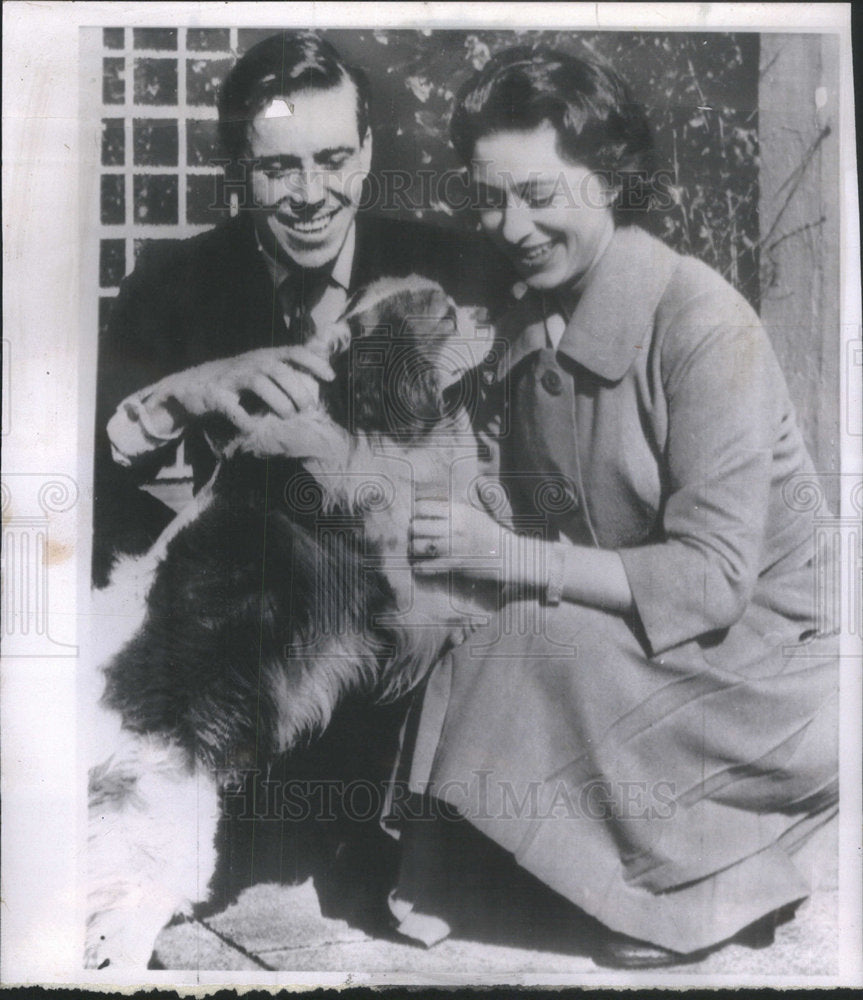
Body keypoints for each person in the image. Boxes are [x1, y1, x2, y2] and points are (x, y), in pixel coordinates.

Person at [393, 47, 839, 969]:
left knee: (535, 632)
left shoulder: (702, 325)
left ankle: (690, 892)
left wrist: (508, 558)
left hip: (757, 669)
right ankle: (521, 853)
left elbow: (711, 583)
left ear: (611, 180)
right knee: (462, 622)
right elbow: (493, 488)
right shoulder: (526, 315)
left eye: (541, 194)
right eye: (490, 197)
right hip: (627, 638)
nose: (511, 225)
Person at [92, 30, 513, 587]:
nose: (312, 193)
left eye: (334, 159)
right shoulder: (174, 283)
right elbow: (80, 487)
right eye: (278, 167)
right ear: (240, 168)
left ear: (366, 152)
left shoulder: (456, 268)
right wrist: (178, 398)